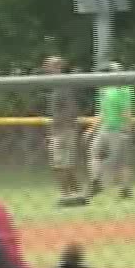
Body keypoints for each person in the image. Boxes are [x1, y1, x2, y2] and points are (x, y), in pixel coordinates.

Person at [86, 62, 135, 201]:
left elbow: (125, 112)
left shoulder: (122, 90)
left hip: (115, 129)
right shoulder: (109, 90)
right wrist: (92, 128)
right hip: (110, 129)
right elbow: (104, 112)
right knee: (111, 159)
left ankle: (122, 188)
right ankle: (99, 182)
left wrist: (129, 125)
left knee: (117, 161)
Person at [44, 55, 87, 207]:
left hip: (64, 130)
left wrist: (60, 128)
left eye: (50, 65)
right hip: (60, 129)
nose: (46, 68)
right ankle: (77, 194)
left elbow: (71, 109)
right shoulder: (55, 85)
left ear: (58, 67)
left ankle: (67, 195)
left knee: (61, 164)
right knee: (63, 164)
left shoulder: (62, 84)